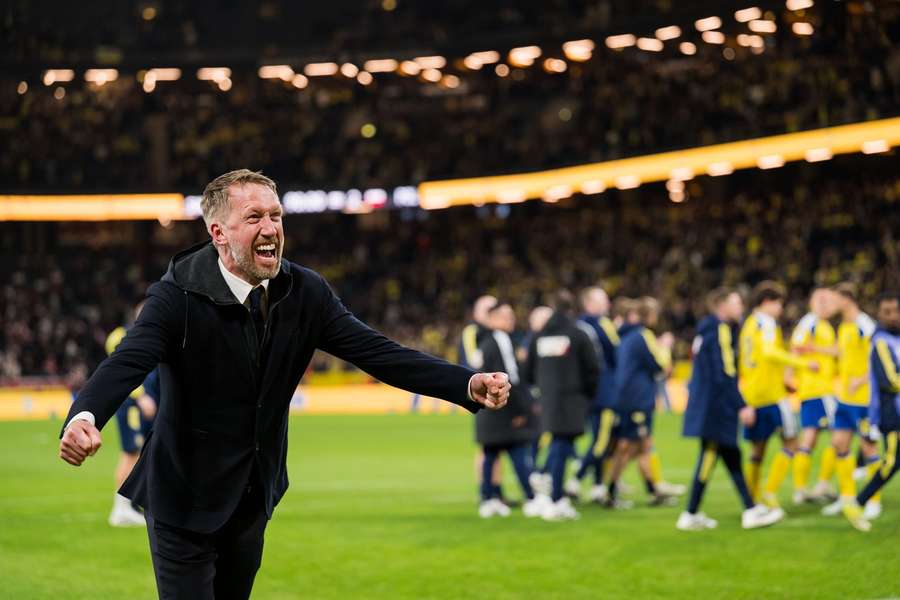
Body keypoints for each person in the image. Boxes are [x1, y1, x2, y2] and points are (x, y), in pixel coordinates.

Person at [58, 169, 511, 600]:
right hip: (183, 496)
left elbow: (379, 353)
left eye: (275, 215)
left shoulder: (305, 292)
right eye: (253, 218)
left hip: (253, 494)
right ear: (218, 233)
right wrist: (85, 415)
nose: (270, 227)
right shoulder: (177, 293)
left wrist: (465, 383)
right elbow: (128, 360)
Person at [677, 288, 784, 531]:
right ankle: (690, 514)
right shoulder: (720, 330)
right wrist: (741, 404)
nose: (741, 307)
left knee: (731, 457)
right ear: (722, 306)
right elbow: (724, 373)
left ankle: (750, 509)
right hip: (715, 407)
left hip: (707, 403)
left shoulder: (705, 330)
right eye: (736, 302)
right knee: (710, 456)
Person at [739, 281, 818, 510]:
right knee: (792, 443)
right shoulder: (767, 323)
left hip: (753, 394)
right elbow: (769, 352)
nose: (780, 309)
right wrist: (802, 363)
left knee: (757, 450)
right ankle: (770, 493)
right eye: (778, 304)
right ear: (767, 302)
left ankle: (751, 499)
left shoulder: (748, 325)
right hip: (773, 396)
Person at [523, 290, 599, 520]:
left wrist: (544, 390)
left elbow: (527, 371)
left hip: (548, 399)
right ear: (571, 308)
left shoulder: (539, 337)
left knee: (559, 443)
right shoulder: (578, 334)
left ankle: (554, 493)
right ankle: (555, 497)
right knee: (561, 444)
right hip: (573, 399)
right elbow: (592, 369)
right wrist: (586, 396)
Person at [475, 302, 547, 518]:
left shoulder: (485, 341)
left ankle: (489, 499)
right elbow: (509, 376)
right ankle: (532, 498)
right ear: (492, 319)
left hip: (487, 408)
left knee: (491, 453)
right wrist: (521, 410)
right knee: (517, 451)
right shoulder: (500, 340)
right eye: (506, 316)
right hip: (503, 408)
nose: (511, 320)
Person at [603, 297, 676, 508]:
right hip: (637, 400)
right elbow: (660, 366)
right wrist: (666, 347)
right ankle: (610, 491)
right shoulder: (643, 336)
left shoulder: (625, 337)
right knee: (628, 447)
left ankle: (653, 490)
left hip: (627, 398)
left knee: (643, 446)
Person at [821, 283, 882, 521]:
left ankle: (873, 500)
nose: (832, 305)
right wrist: (809, 350)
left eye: (835, 299)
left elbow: (881, 354)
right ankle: (847, 497)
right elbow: (839, 351)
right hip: (845, 399)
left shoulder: (864, 325)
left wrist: (863, 378)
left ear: (847, 299)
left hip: (865, 399)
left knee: (869, 448)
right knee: (839, 444)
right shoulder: (845, 326)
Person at [841, 292, 900, 531]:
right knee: (893, 460)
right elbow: (891, 379)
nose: (893, 316)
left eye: (896, 311)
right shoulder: (881, 341)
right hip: (893, 412)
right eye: (887, 312)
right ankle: (858, 502)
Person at [105, 303, 160, 527]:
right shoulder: (120, 335)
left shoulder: (155, 335)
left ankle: (133, 505)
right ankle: (121, 508)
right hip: (131, 406)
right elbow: (122, 369)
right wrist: (140, 397)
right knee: (131, 453)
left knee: (144, 454)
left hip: (148, 406)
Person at [789, 288, 840, 504]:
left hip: (821, 388)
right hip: (818, 389)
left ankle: (804, 489)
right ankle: (820, 484)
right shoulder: (808, 323)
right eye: (824, 300)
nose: (828, 305)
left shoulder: (823, 325)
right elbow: (798, 348)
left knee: (812, 436)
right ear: (814, 302)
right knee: (839, 436)